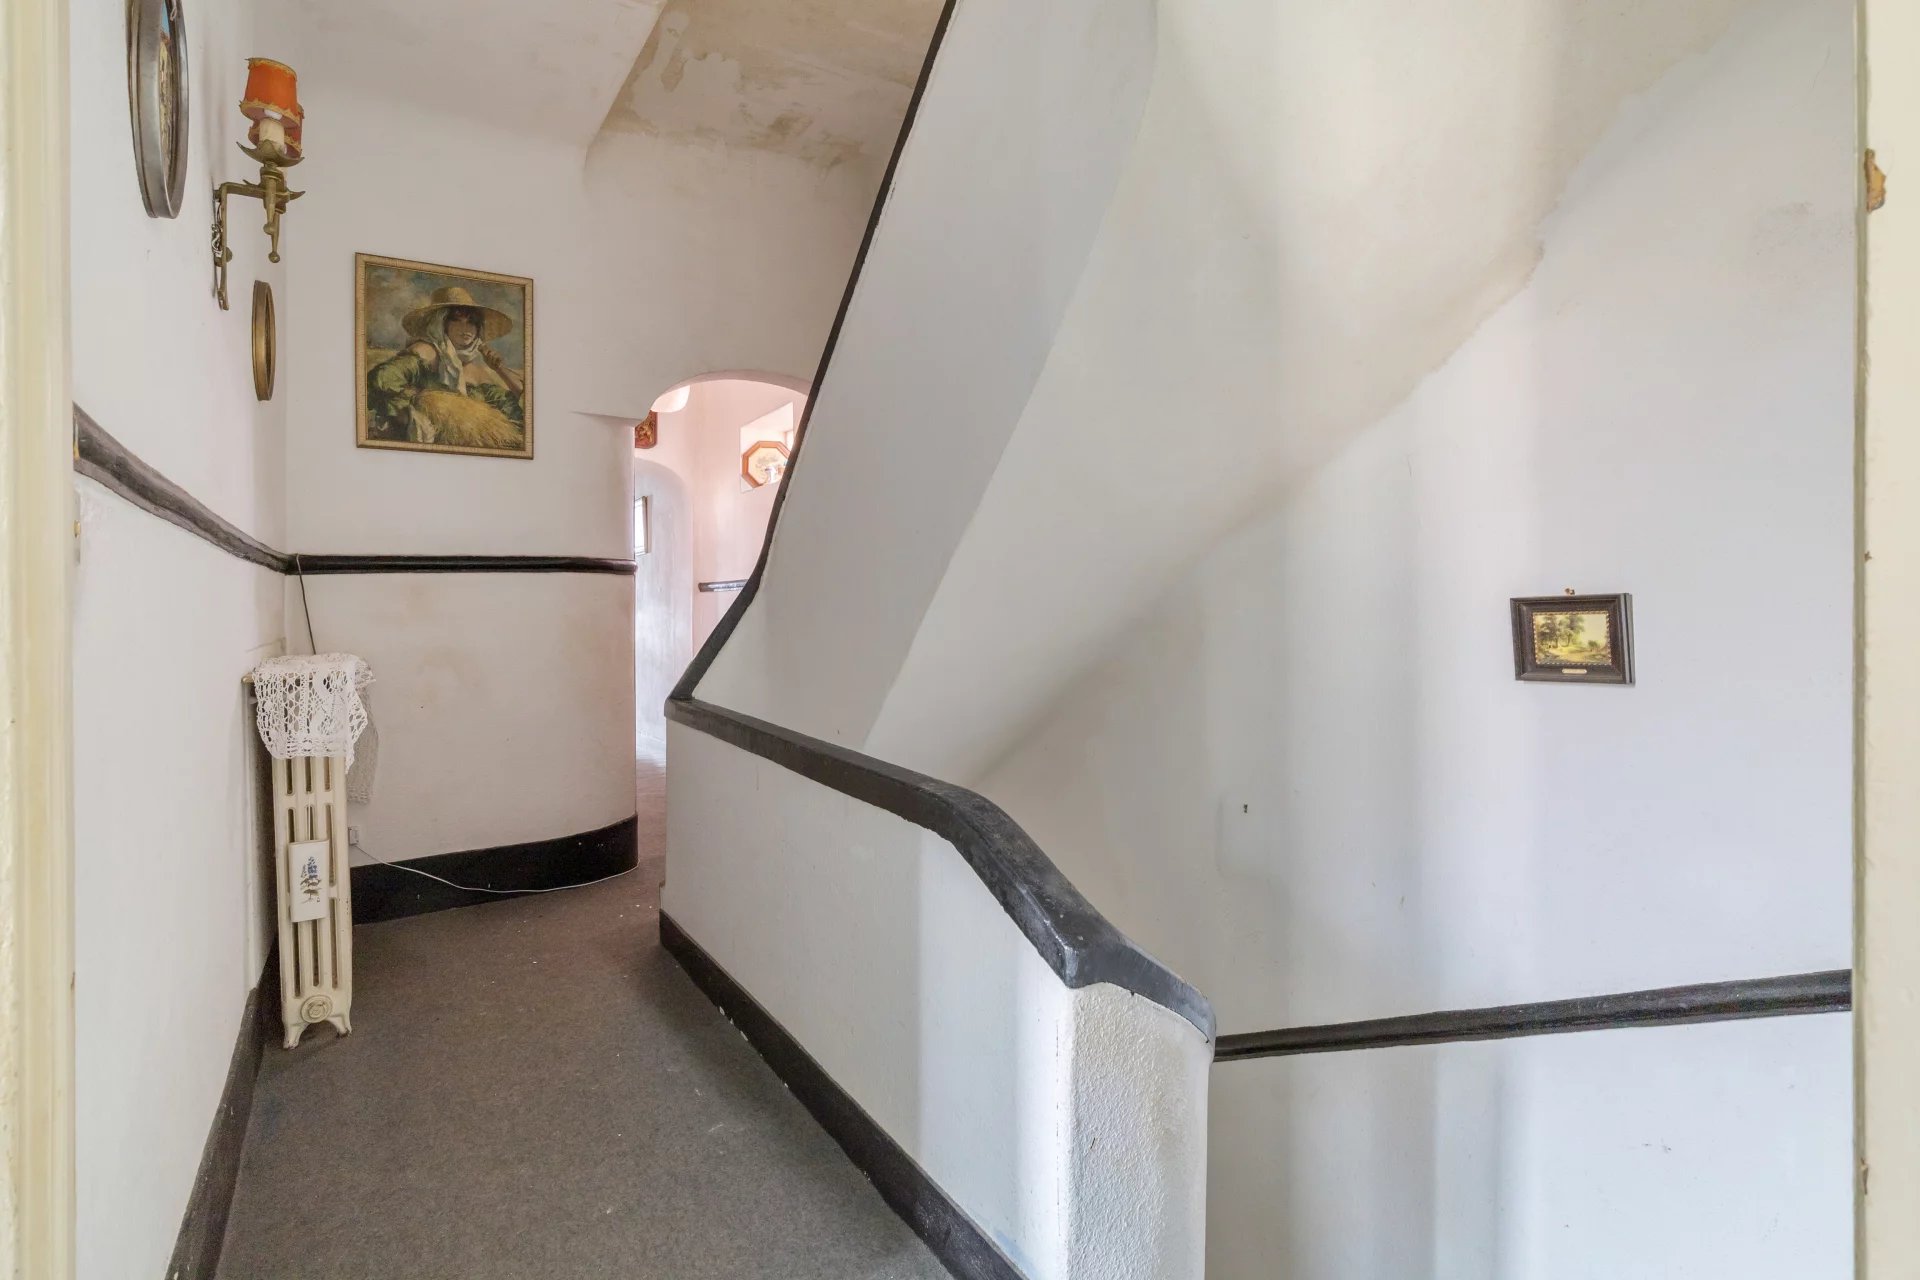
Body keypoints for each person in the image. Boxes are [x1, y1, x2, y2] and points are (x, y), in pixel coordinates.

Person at [366, 285, 526, 449]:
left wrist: (500, 369)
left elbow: (522, 413)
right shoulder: (425, 353)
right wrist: (415, 410)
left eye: (472, 322)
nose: (466, 328)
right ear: (441, 323)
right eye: (457, 320)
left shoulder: (480, 373)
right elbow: (381, 379)